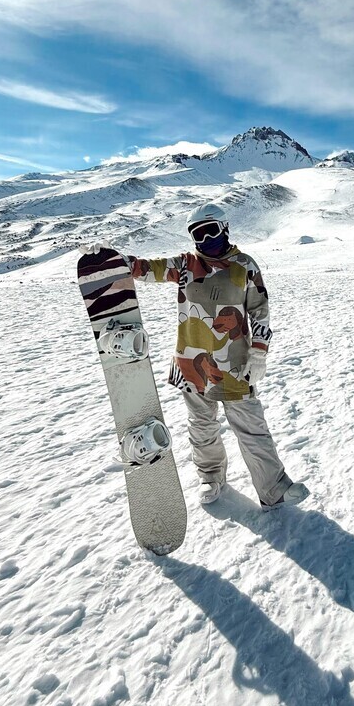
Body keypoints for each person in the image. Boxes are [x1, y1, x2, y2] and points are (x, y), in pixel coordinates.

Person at [107, 203, 309, 510]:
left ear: (225, 229)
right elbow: (149, 269)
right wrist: (114, 261)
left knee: (252, 428)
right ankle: (211, 478)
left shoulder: (245, 265)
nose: (205, 240)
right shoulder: (186, 264)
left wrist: (259, 354)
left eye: (210, 231)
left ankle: (274, 489)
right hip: (191, 362)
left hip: (235, 365)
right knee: (201, 425)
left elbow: (259, 311)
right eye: (198, 234)